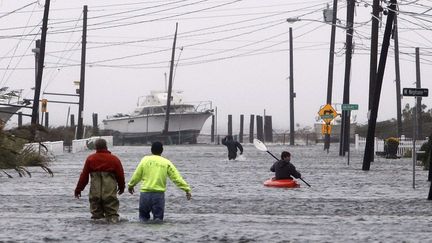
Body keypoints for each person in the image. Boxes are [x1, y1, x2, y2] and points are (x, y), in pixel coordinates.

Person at [128, 141, 192, 222]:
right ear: (162, 150)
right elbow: (176, 178)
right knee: (158, 221)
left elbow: (137, 175)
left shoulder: (145, 160)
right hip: (158, 195)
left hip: (145, 195)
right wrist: (186, 189)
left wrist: (131, 185)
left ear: (151, 150)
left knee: (143, 220)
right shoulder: (166, 162)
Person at [74, 138, 125, 223]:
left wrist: (78, 189)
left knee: (96, 218)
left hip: (95, 192)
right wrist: (122, 187)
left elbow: (84, 176)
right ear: (106, 146)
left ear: (95, 147)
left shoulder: (90, 159)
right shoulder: (114, 159)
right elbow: (120, 175)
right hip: (109, 192)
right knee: (112, 216)